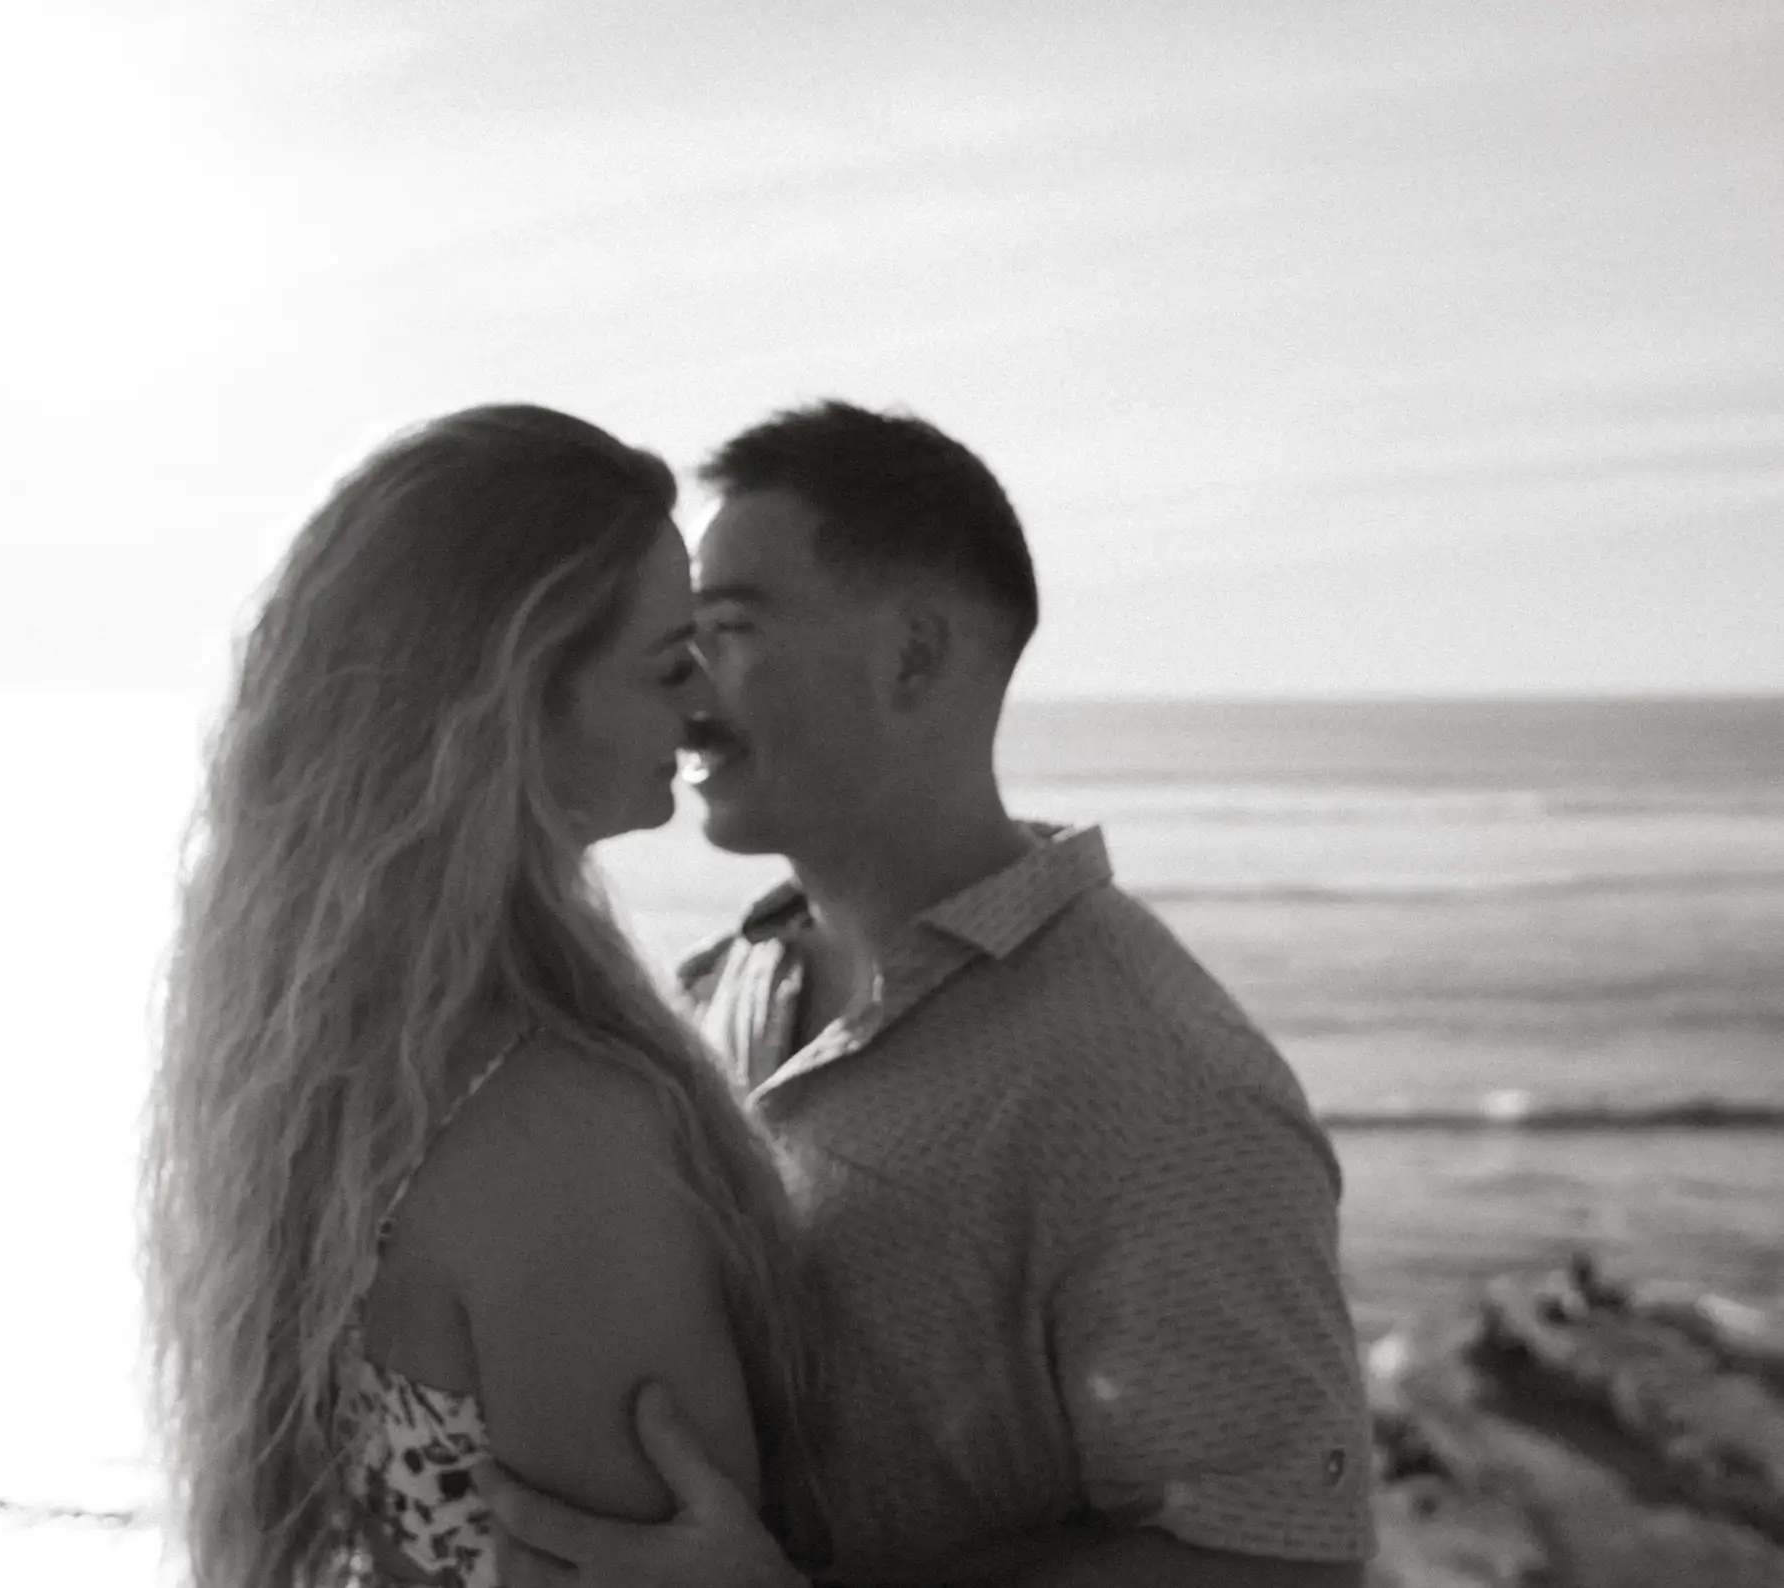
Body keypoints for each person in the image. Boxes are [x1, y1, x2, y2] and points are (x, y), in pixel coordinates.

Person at [479, 402, 1375, 1587]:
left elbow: (1279, 1567)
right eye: (682, 638)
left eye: (728, 629)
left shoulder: (1163, 1084)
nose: (683, 686)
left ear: (911, 654)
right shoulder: (712, 990)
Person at [141, 405, 822, 1588]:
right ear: (516, 698)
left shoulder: (333, 1065)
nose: (708, 703)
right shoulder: (560, 1135)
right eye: (671, 661)